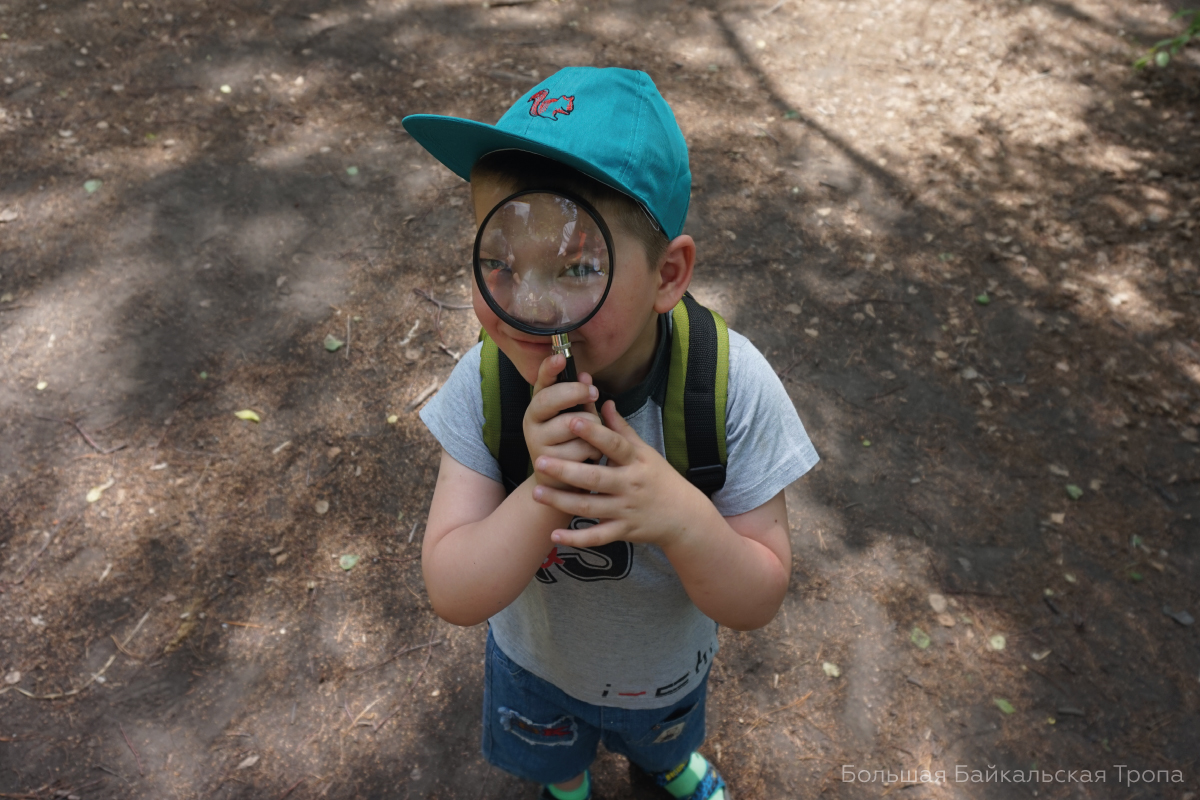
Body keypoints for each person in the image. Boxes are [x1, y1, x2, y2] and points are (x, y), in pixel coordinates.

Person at [404, 66, 818, 800]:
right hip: (536, 672)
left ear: (668, 275)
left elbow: (757, 599)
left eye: (577, 267)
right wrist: (542, 493)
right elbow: (453, 591)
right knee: (553, 758)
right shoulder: (488, 383)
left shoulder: (730, 388)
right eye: (497, 261)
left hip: (664, 677)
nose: (527, 305)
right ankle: (567, 786)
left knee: (663, 739)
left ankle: (664, 765)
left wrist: (682, 516)